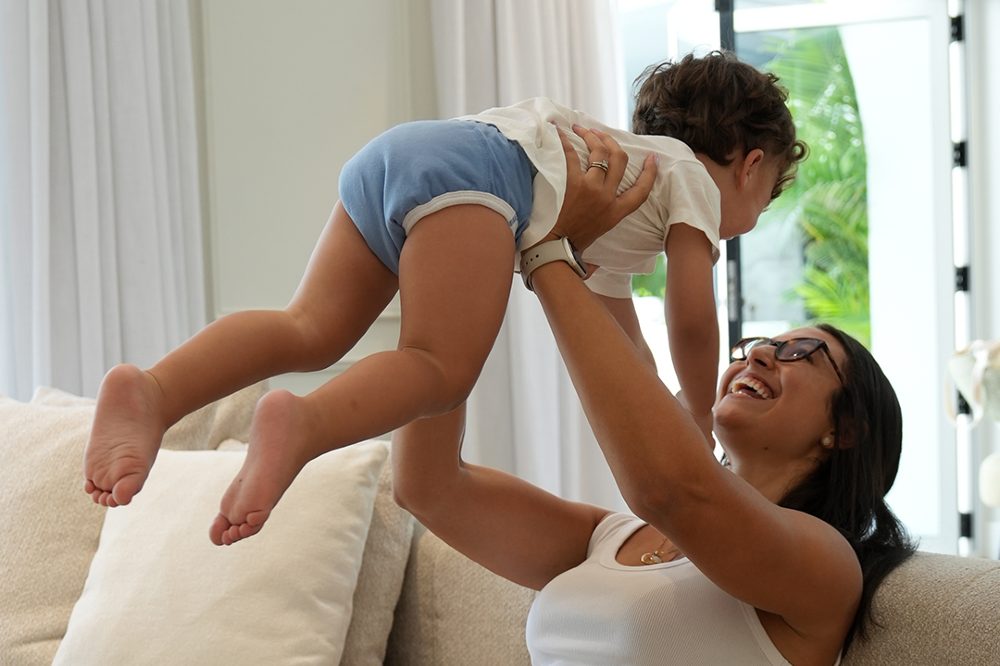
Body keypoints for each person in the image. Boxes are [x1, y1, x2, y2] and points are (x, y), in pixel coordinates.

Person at [83, 51, 804, 547]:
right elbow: (692, 315)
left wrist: (662, 413)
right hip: (485, 176)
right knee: (438, 367)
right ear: (749, 168)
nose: (750, 219)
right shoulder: (691, 184)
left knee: (309, 327)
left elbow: (622, 343)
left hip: (407, 153)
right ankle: (303, 423)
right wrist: (698, 406)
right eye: (766, 202)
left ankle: (154, 390)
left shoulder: (627, 196)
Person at [391, 127, 916, 664]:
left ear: (846, 428)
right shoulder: (608, 540)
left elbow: (672, 490)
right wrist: (452, 247)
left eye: (799, 351)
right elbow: (427, 485)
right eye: (756, 345)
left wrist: (547, 249)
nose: (756, 356)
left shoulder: (826, 566)